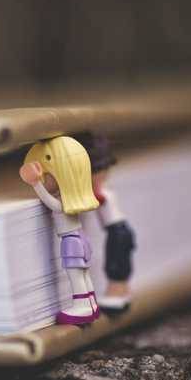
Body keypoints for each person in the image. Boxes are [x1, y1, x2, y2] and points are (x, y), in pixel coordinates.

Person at [19, 134, 101, 326]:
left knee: (75, 274)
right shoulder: (72, 198)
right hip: (80, 237)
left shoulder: (62, 200)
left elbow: (52, 204)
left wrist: (36, 184)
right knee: (83, 272)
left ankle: (82, 304)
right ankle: (91, 303)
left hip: (71, 240)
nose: (44, 180)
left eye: (46, 176)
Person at [76, 129, 137, 315]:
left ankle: (118, 292)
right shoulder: (102, 191)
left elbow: (94, 201)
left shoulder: (100, 194)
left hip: (118, 231)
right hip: (119, 231)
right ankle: (121, 291)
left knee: (116, 263)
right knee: (118, 261)